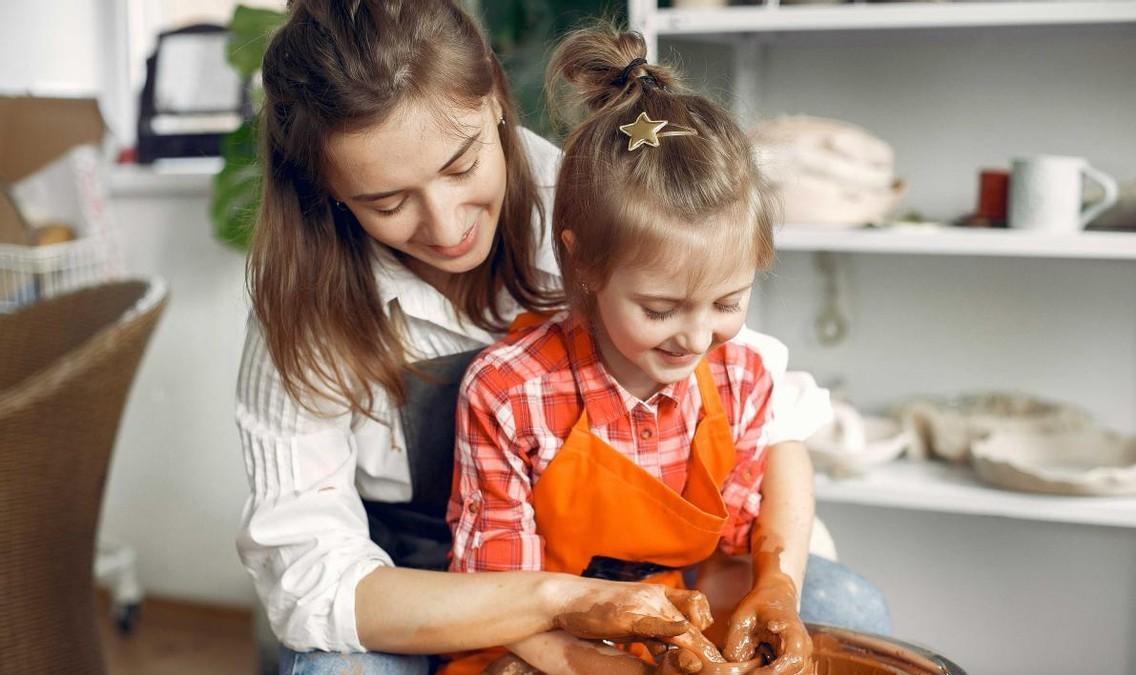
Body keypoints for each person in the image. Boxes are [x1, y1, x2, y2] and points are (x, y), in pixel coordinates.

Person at [235, 1, 889, 673]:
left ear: (494, 96)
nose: (445, 224)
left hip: (650, 572)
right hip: (427, 595)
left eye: (462, 167)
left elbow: (756, 398)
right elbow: (309, 577)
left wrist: (771, 578)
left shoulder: (604, 196)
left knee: (851, 613)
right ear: (330, 187)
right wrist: (556, 608)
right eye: (388, 202)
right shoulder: (304, 304)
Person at [443, 25, 887, 675]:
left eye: (728, 302)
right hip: (540, 640)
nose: (696, 336)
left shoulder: (738, 379)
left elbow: (740, 538)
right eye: (659, 309)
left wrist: (775, 587)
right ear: (585, 262)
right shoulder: (511, 391)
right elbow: (497, 596)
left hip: (674, 629)